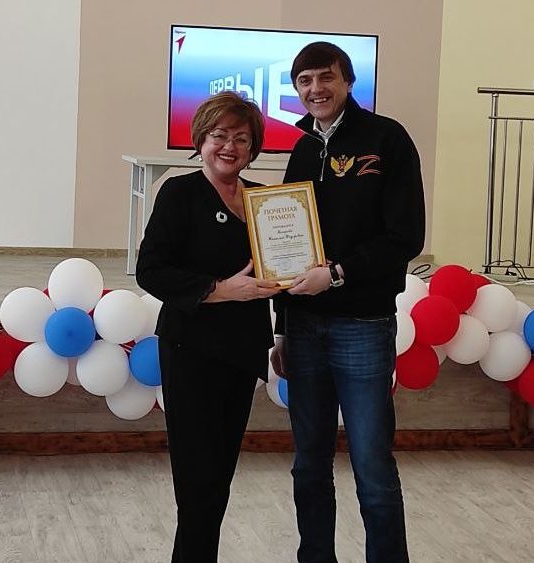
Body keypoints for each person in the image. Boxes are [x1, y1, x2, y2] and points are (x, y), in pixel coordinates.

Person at [271, 42, 425, 563]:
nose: (315, 89)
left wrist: (336, 275)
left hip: (362, 325)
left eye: (326, 77)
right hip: (303, 329)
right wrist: (282, 329)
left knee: (373, 470)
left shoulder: (387, 139)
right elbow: (285, 248)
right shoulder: (301, 150)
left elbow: (406, 236)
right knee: (309, 467)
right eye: (305, 80)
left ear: (348, 81)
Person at [136, 91, 280, 563]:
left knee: (218, 479)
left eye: (241, 138)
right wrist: (219, 290)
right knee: (197, 482)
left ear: (253, 148)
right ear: (201, 139)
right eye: (220, 135)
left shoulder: (264, 201)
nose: (229, 147)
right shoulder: (179, 193)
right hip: (191, 350)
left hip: (242, 352)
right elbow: (151, 270)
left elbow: (283, 270)